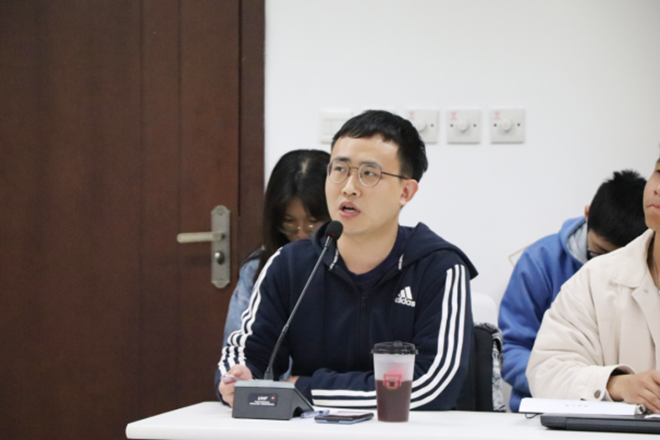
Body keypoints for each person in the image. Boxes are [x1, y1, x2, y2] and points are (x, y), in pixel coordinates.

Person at [217, 110, 477, 410]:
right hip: (310, 430)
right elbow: (246, 353)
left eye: (369, 173)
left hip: (406, 430)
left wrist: (305, 389)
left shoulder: (439, 267)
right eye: (339, 169)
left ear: (405, 191)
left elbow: (432, 388)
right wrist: (238, 378)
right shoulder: (289, 264)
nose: (348, 187)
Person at [499, 170, 647, 412]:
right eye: (598, 252)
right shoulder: (540, 261)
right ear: (587, 215)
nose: (606, 265)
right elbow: (508, 348)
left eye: (619, 257)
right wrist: (564, 382)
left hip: (629, 410)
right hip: (545, 409)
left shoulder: (645, 270)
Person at [223, 149, 331, 344]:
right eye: (289, 222)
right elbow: (239, 345)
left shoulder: (360, 269)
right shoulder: (257, 270)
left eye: (312, 222)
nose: (301, 234)